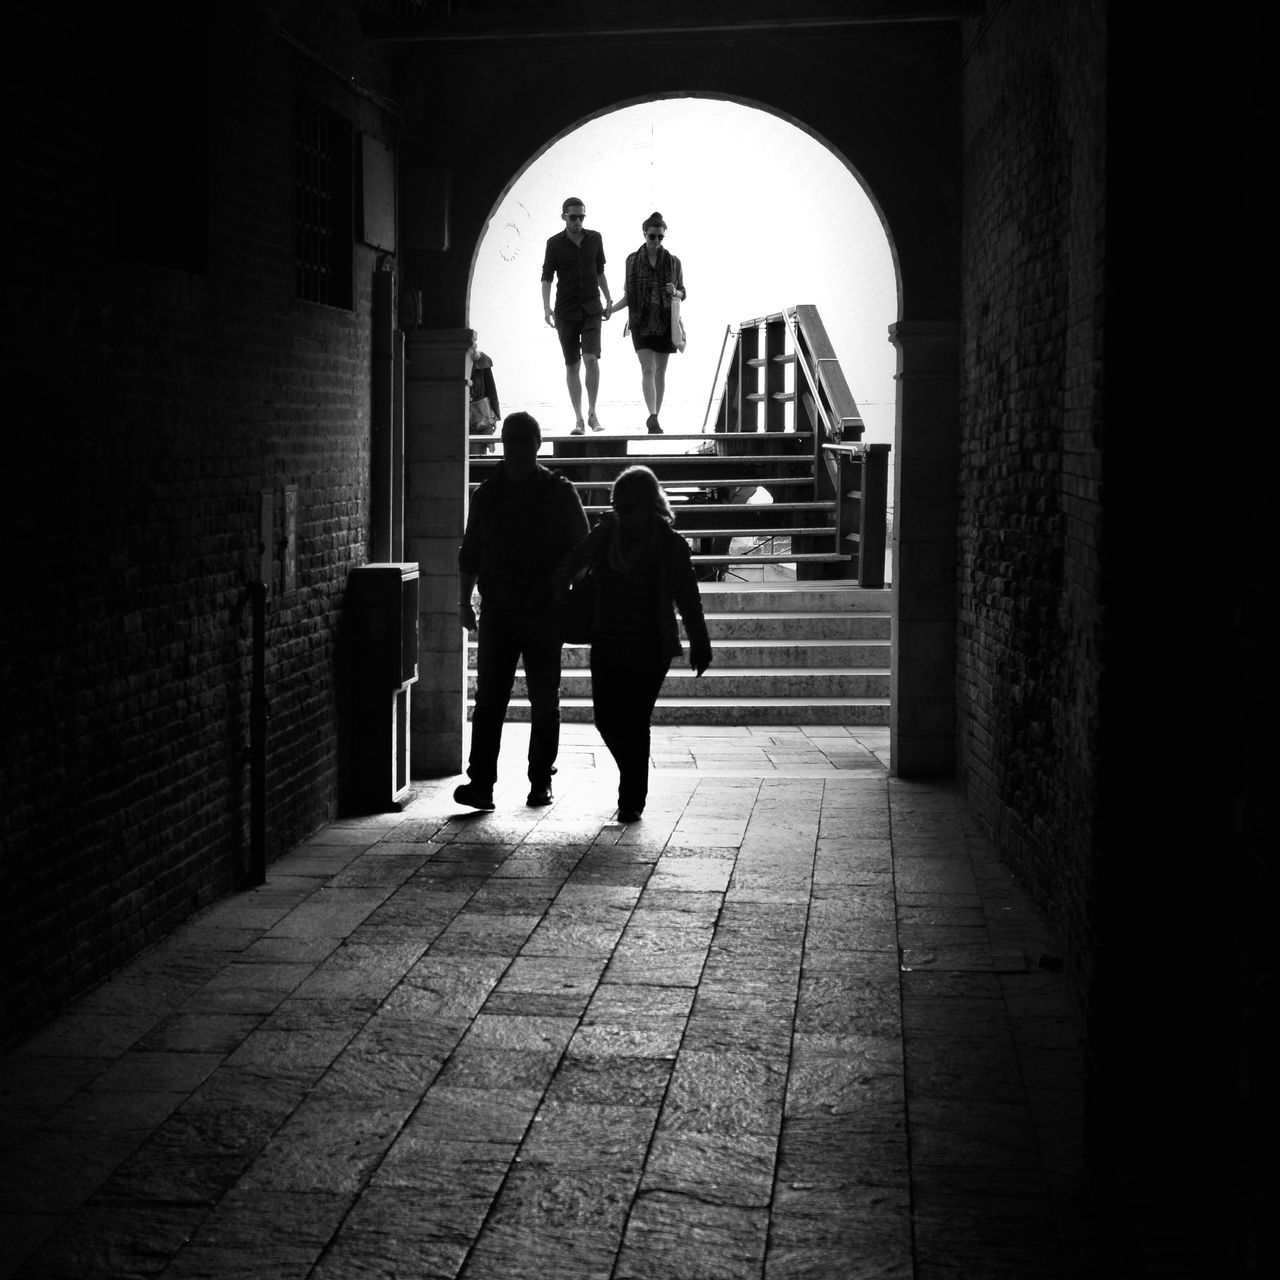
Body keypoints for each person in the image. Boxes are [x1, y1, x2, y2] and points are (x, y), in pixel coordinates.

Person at [553, 466, 712, 823]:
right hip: (608, 640)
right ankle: (633, 775)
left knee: (636, 721)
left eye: (629, 508)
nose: (622, 515)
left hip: (649, 647)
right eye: (618, 508)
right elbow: (572, 561)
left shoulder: (671, 545)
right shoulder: (607, 534)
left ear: (648, 506)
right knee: (607, 720)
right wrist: (560, 590)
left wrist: (700, 643)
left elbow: (689, 599)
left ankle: (631, 799)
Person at [455, 411, 590, 810]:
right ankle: (485, 783)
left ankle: (535, 781)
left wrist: (565, 579)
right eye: (511, 440)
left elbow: (583, 551)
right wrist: (464, 603)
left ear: (535, 445)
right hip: (503, 610)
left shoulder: (549, 492)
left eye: (521, 441)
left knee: (539, 700)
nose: (514, 448)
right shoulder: (497, 493)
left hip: (541, 611)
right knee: (495, 701)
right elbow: (470, 553)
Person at [541, 196, 613, 436]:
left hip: (592, 307)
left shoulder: (595, 238)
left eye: (582, 216)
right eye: (573, 217)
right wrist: (546, 308)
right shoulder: (554, 244)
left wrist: (609, 298)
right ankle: (579, 419)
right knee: (572, 364)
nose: (578, 221)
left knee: (591, 359)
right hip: (565, 310)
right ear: (564, 216)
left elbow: (600, 270)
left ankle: (593, 414)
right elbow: (547, 277)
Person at [609, 211, 686, 434]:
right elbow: (628, 296)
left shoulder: (673, 261)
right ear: (644, 234)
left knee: (661, 371)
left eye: (661, 237)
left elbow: (683, 292)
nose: (656, 241)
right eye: (652, 236)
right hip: (640, 321)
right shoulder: (632, 261)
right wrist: (611, 311)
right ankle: (651, 416)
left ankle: (656, 417)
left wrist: (676, 292)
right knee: (647, 368)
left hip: (665, 320)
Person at [467, 332, 500, 456]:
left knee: (479, 456)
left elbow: (492, 390)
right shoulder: (454, 363)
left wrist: (494, 418)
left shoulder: (482, 360)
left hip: (482, 417)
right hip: (462, 417)